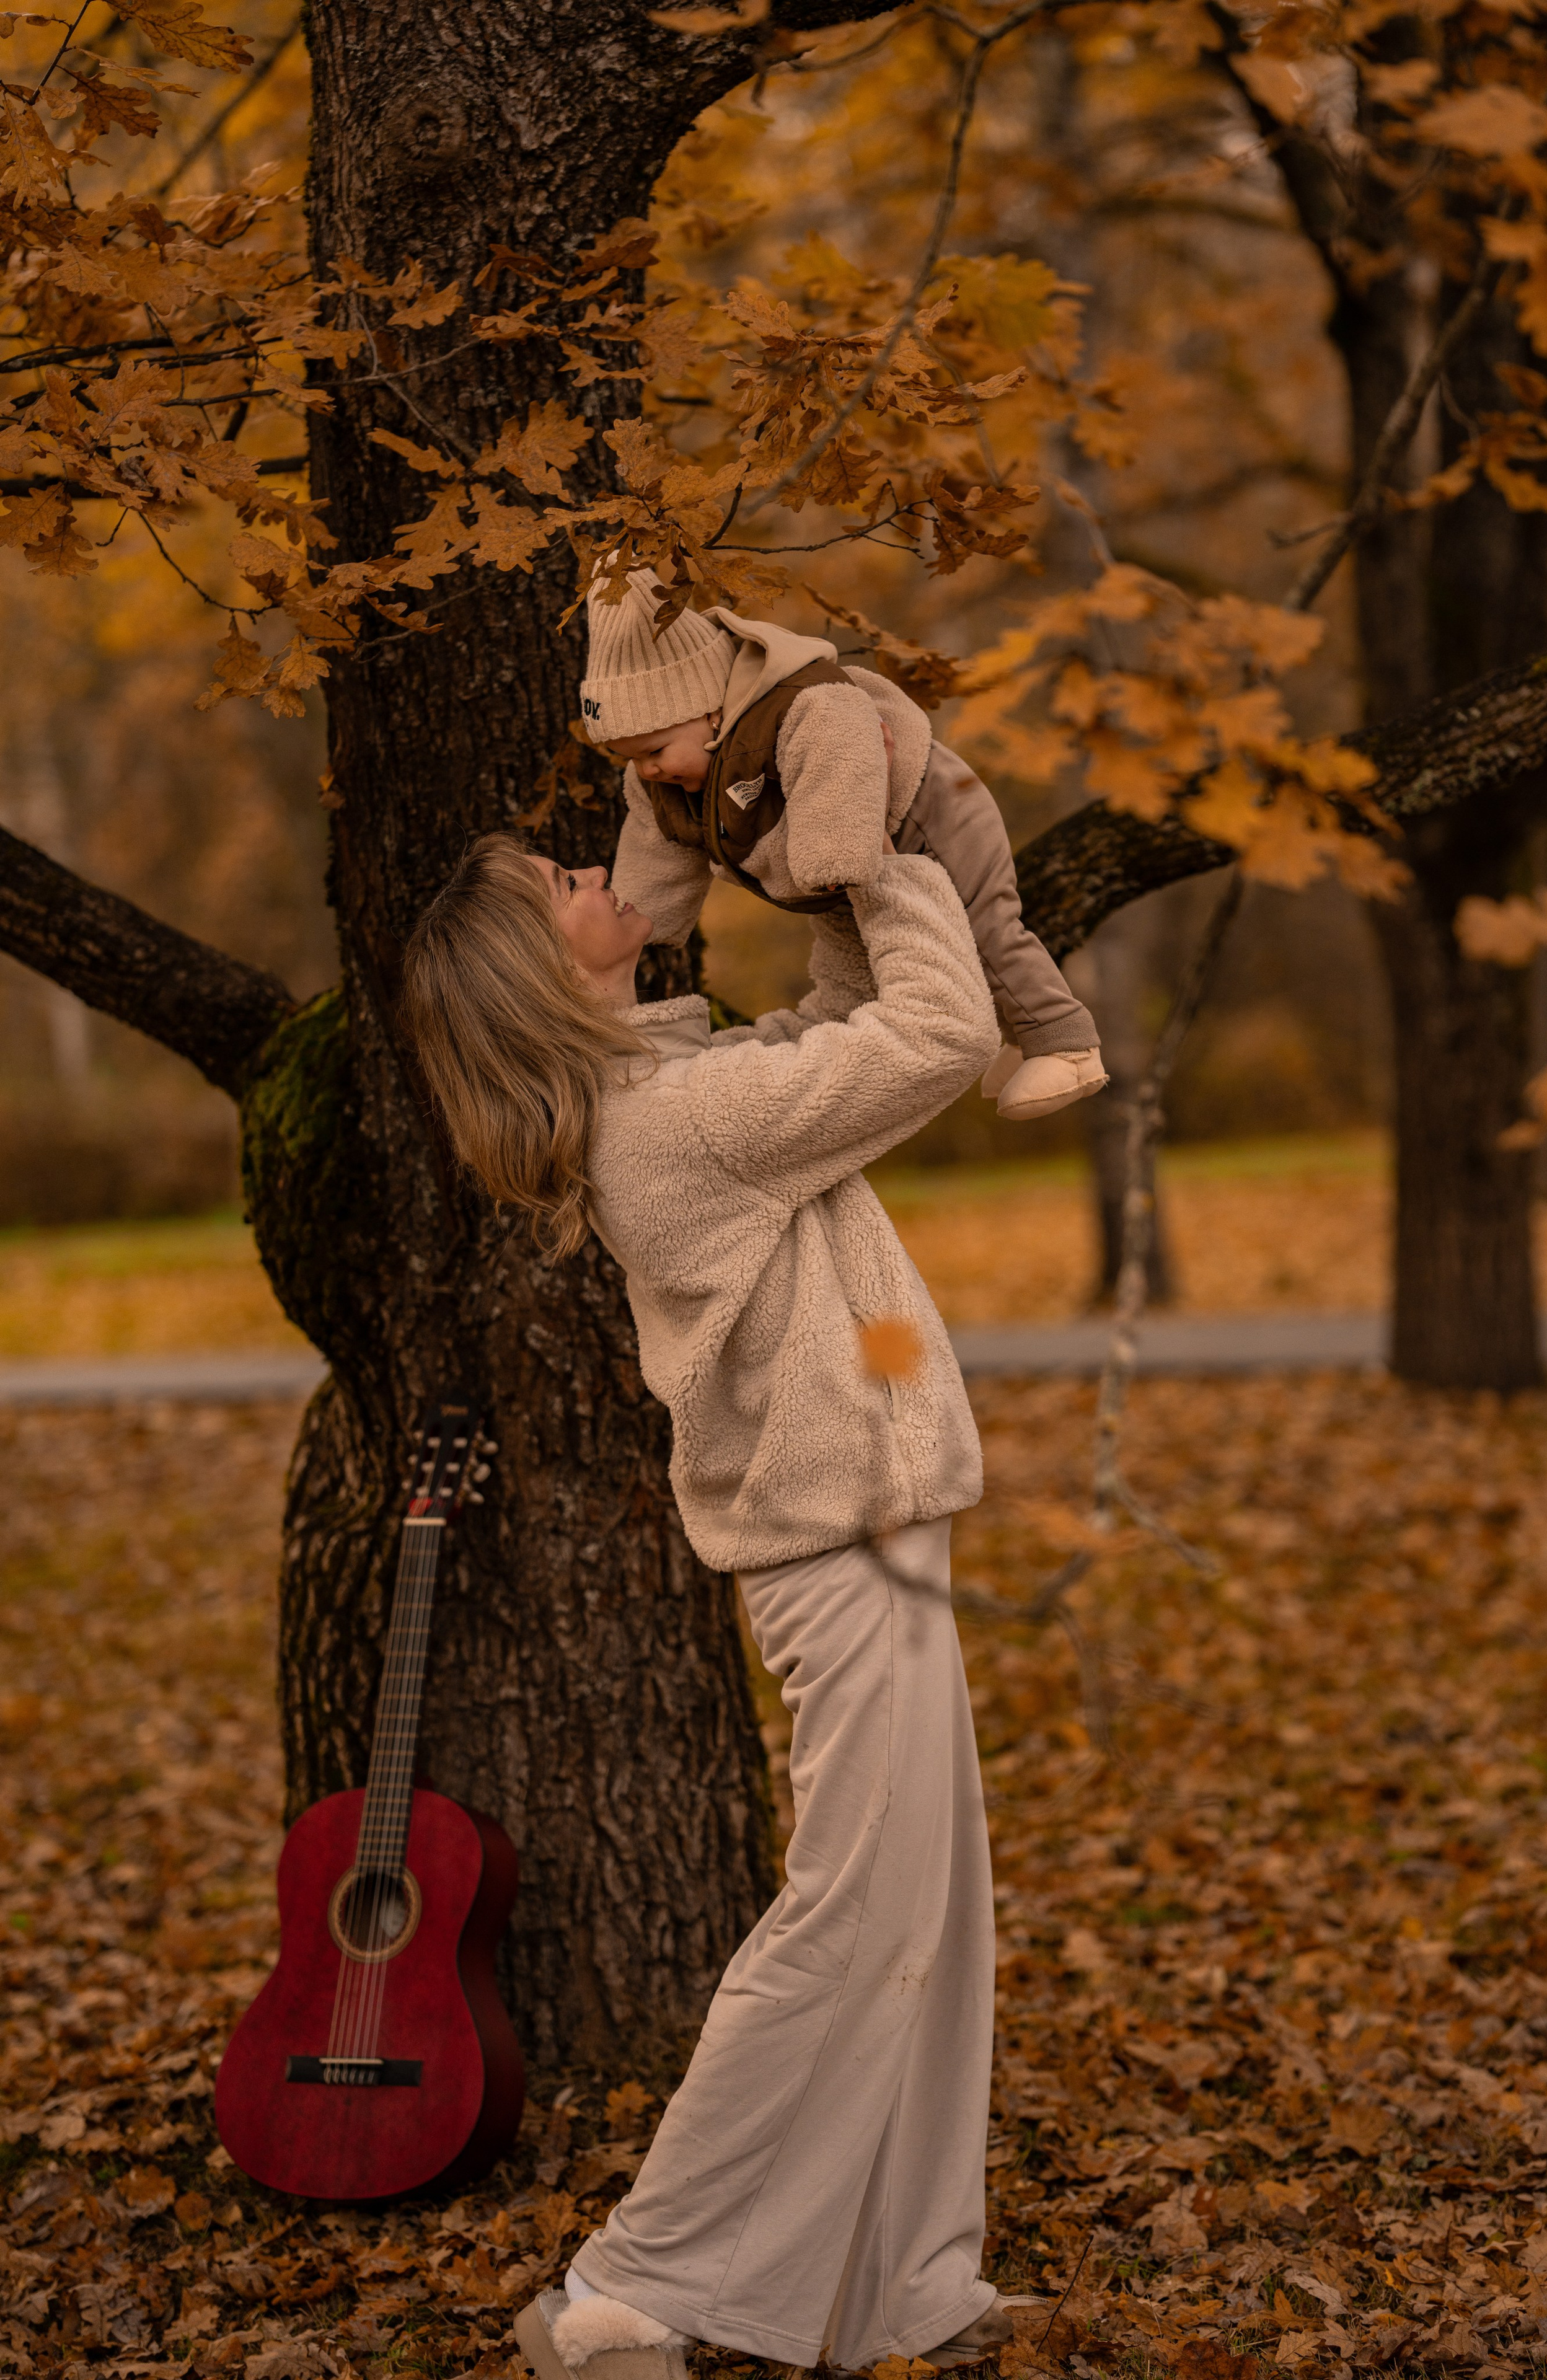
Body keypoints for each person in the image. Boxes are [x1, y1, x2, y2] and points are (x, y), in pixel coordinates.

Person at [402, 836, 1039, 2380]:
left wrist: (794, 855)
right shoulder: (676, 1124)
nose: (585, 866)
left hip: (872, 1533)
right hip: (837, 1551)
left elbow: (836, 1014)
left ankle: (904, 2278)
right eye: (555, 883)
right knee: (846, 1909)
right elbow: (939, 1033)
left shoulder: (686, 1082)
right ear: (541, 974)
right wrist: (879, 852)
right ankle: (625, 2286)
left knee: (930, 1916)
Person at [580, 565, 1106, 1125]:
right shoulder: (666, 780)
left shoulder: (797, 704)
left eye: (655, 749)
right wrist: (643, 915)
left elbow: (842, 740)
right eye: (631, 758)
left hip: (922, 819)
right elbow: (655, 841)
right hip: (831, 875)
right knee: (858, 980)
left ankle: (1064, 1042)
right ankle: (1014, 1035)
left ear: (709, 710)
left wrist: (836, 851)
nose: (648, 769)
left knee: (985, 925)